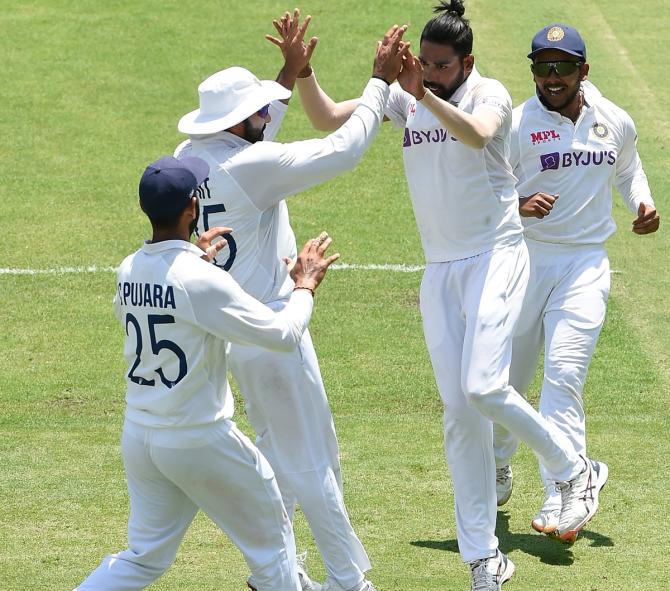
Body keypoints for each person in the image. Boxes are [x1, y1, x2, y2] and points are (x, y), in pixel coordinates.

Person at [285, 2, 608, 589]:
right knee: (461, 415)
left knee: (484, 385)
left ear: (467, 62)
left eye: (440, 65)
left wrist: (421, 94)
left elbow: (478, 133)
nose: (429, 73)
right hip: (441, 270)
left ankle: (571, 467)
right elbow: (329, 119)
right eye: (423, 65)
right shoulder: (408, 97)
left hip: (496, 254)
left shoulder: (490, 94)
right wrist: (303, 71)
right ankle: (483, 557)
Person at [173, 14, 409, 591]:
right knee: (312, 463)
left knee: (288, 455)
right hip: (274, 329)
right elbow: (344, 149)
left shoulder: (190, 154)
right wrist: (379, 80)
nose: (267, 113)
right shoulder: (251, 165)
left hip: (234, 336)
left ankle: (273, 574)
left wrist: (289, 73)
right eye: (260, 108)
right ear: (242, 120)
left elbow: (256, 131)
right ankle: (346, 582)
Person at [74, 155, 340, 591]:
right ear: (192, 209)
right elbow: (281, 333)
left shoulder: (128, 269)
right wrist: (304, 286)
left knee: (143, 558)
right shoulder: (198, 280)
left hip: (142, 436)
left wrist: (195, 258)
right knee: (274, 550)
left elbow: (171, 289)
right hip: (200, 438)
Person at [492, 23, 659, 536]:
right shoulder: (516, 125)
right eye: (543, 66)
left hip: (586, 265)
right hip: (524, 259)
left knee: (564, 376)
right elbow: (483, 185)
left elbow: (628, 167)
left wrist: (642, 203)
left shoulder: (615, 120)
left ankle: (567, 486)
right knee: (506, 383)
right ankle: (497, 463)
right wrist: (516, 206)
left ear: (583, 71)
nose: (552, 76)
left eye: (563, 66)